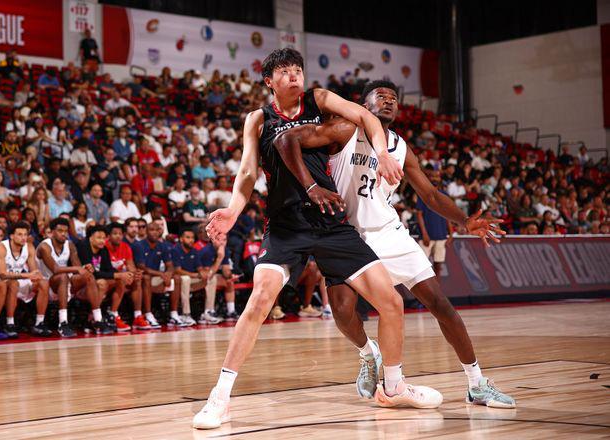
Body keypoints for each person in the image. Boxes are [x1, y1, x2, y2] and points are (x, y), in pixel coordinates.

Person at [194, 49, 431, 430]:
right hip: (286, 224)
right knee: (259, 300)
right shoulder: (258, 119)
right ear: (269, 81)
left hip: (330, 220)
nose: (294, 76)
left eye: (298, 70)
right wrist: (233, 210)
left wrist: (383, 154)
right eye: (285, 72)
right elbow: (247, 172)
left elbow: (366, 117)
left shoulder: (319, 100)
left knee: (391, 302)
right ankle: (219, 399)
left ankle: (394, 386)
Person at [274, 80, 515, 408]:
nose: (389, 101)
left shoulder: (401, 148)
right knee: (342, 311)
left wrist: (464, 221)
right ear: (364, 106)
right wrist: (311, 186)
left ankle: (477, 383)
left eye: (393, 98)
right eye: (381, 97)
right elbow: (287, 138)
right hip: (347, 235)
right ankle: (368, 353)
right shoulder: (345, 129)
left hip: (389, 232)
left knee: (440, 304)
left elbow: (430, 195)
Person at [36, 218, 99, 337]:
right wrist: (77, 269)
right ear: (52, 232)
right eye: (60, 231)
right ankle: (63, 322)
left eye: (66, 231)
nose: (64, 234)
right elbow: (55, 269)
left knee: (88, 276)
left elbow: (77, 267)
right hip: (46, 284)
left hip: (64, 283)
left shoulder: (70, 245)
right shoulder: (44, 246)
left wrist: (85, 268)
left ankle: (98, 320)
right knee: (62, 276)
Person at [0, 222, 52, 337]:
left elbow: (34, 271)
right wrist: (27, 275)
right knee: (13, 283)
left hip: (19, 279)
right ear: (11, 236)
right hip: (0, 282)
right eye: (20, 234)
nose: (23, 237)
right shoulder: (1, 247)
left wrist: (37, 278)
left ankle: (39, 323)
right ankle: (10, 323)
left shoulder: (29, 247)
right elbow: (2, 275)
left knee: (43, 283)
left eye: (25, 234)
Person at [77, 226, 134, 334]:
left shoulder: (103, 250)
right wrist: (118, 275)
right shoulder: (83, 247)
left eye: (104, 238)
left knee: (120, 280)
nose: (102, 241)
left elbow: (108, 269)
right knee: (102, 283)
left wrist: (125, 275)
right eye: (99, 237)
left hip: (95, 284)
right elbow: (92, 274)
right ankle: (94, 319)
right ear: (90, 238)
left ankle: (112, 315)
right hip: (80, 286)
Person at [171, 228, 220, 325]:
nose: (191, 240)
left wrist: (203, 273)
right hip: (178, 279)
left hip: (191, 279)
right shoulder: (176, 250)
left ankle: (208, 312)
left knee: (211, 278)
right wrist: (194, 275)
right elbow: (177, 270)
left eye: (192, 238)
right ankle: (186, 314)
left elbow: (199, 267)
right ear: (181, 239)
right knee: (186, 279)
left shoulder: (194, 251)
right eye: (188, 237)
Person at [105, 223, 148, 331]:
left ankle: (137, 316)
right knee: (122, 279)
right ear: (108, 236)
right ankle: (113, 316)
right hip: (108, 278)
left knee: (137, 280)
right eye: (115, 233)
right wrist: (124, 275)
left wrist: (135, 274)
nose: (118, 236)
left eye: (120, 234)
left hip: (121, 277)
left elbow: (131, 266)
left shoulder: (125, 247)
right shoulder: (104, 247)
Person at [132, 222, 174, 328]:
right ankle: (148, 314)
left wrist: (168, 274)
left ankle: (174, 314)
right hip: (140, 277)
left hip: (156, 276)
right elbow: (141, 267)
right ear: (146, 231)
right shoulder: (139, 245)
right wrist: (161, 274)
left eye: (157, 230)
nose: (154, 232)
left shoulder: (162, 245)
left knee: (177, 278)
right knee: (146, 278)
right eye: (151, 230)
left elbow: (170, 265)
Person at [416, 171, 453, 278]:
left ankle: (437, 288)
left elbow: (448, 215)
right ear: (428, 178)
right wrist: (424, 234)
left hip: (441, 235)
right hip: (427, 236)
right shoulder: (422, 193)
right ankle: (421, 289)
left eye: (437, 177)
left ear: (440, 179)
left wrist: (451, 234)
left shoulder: (444, 195)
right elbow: (419, 214)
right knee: (422, 267)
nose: (435, 179)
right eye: (432, 176)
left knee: (438, 266)